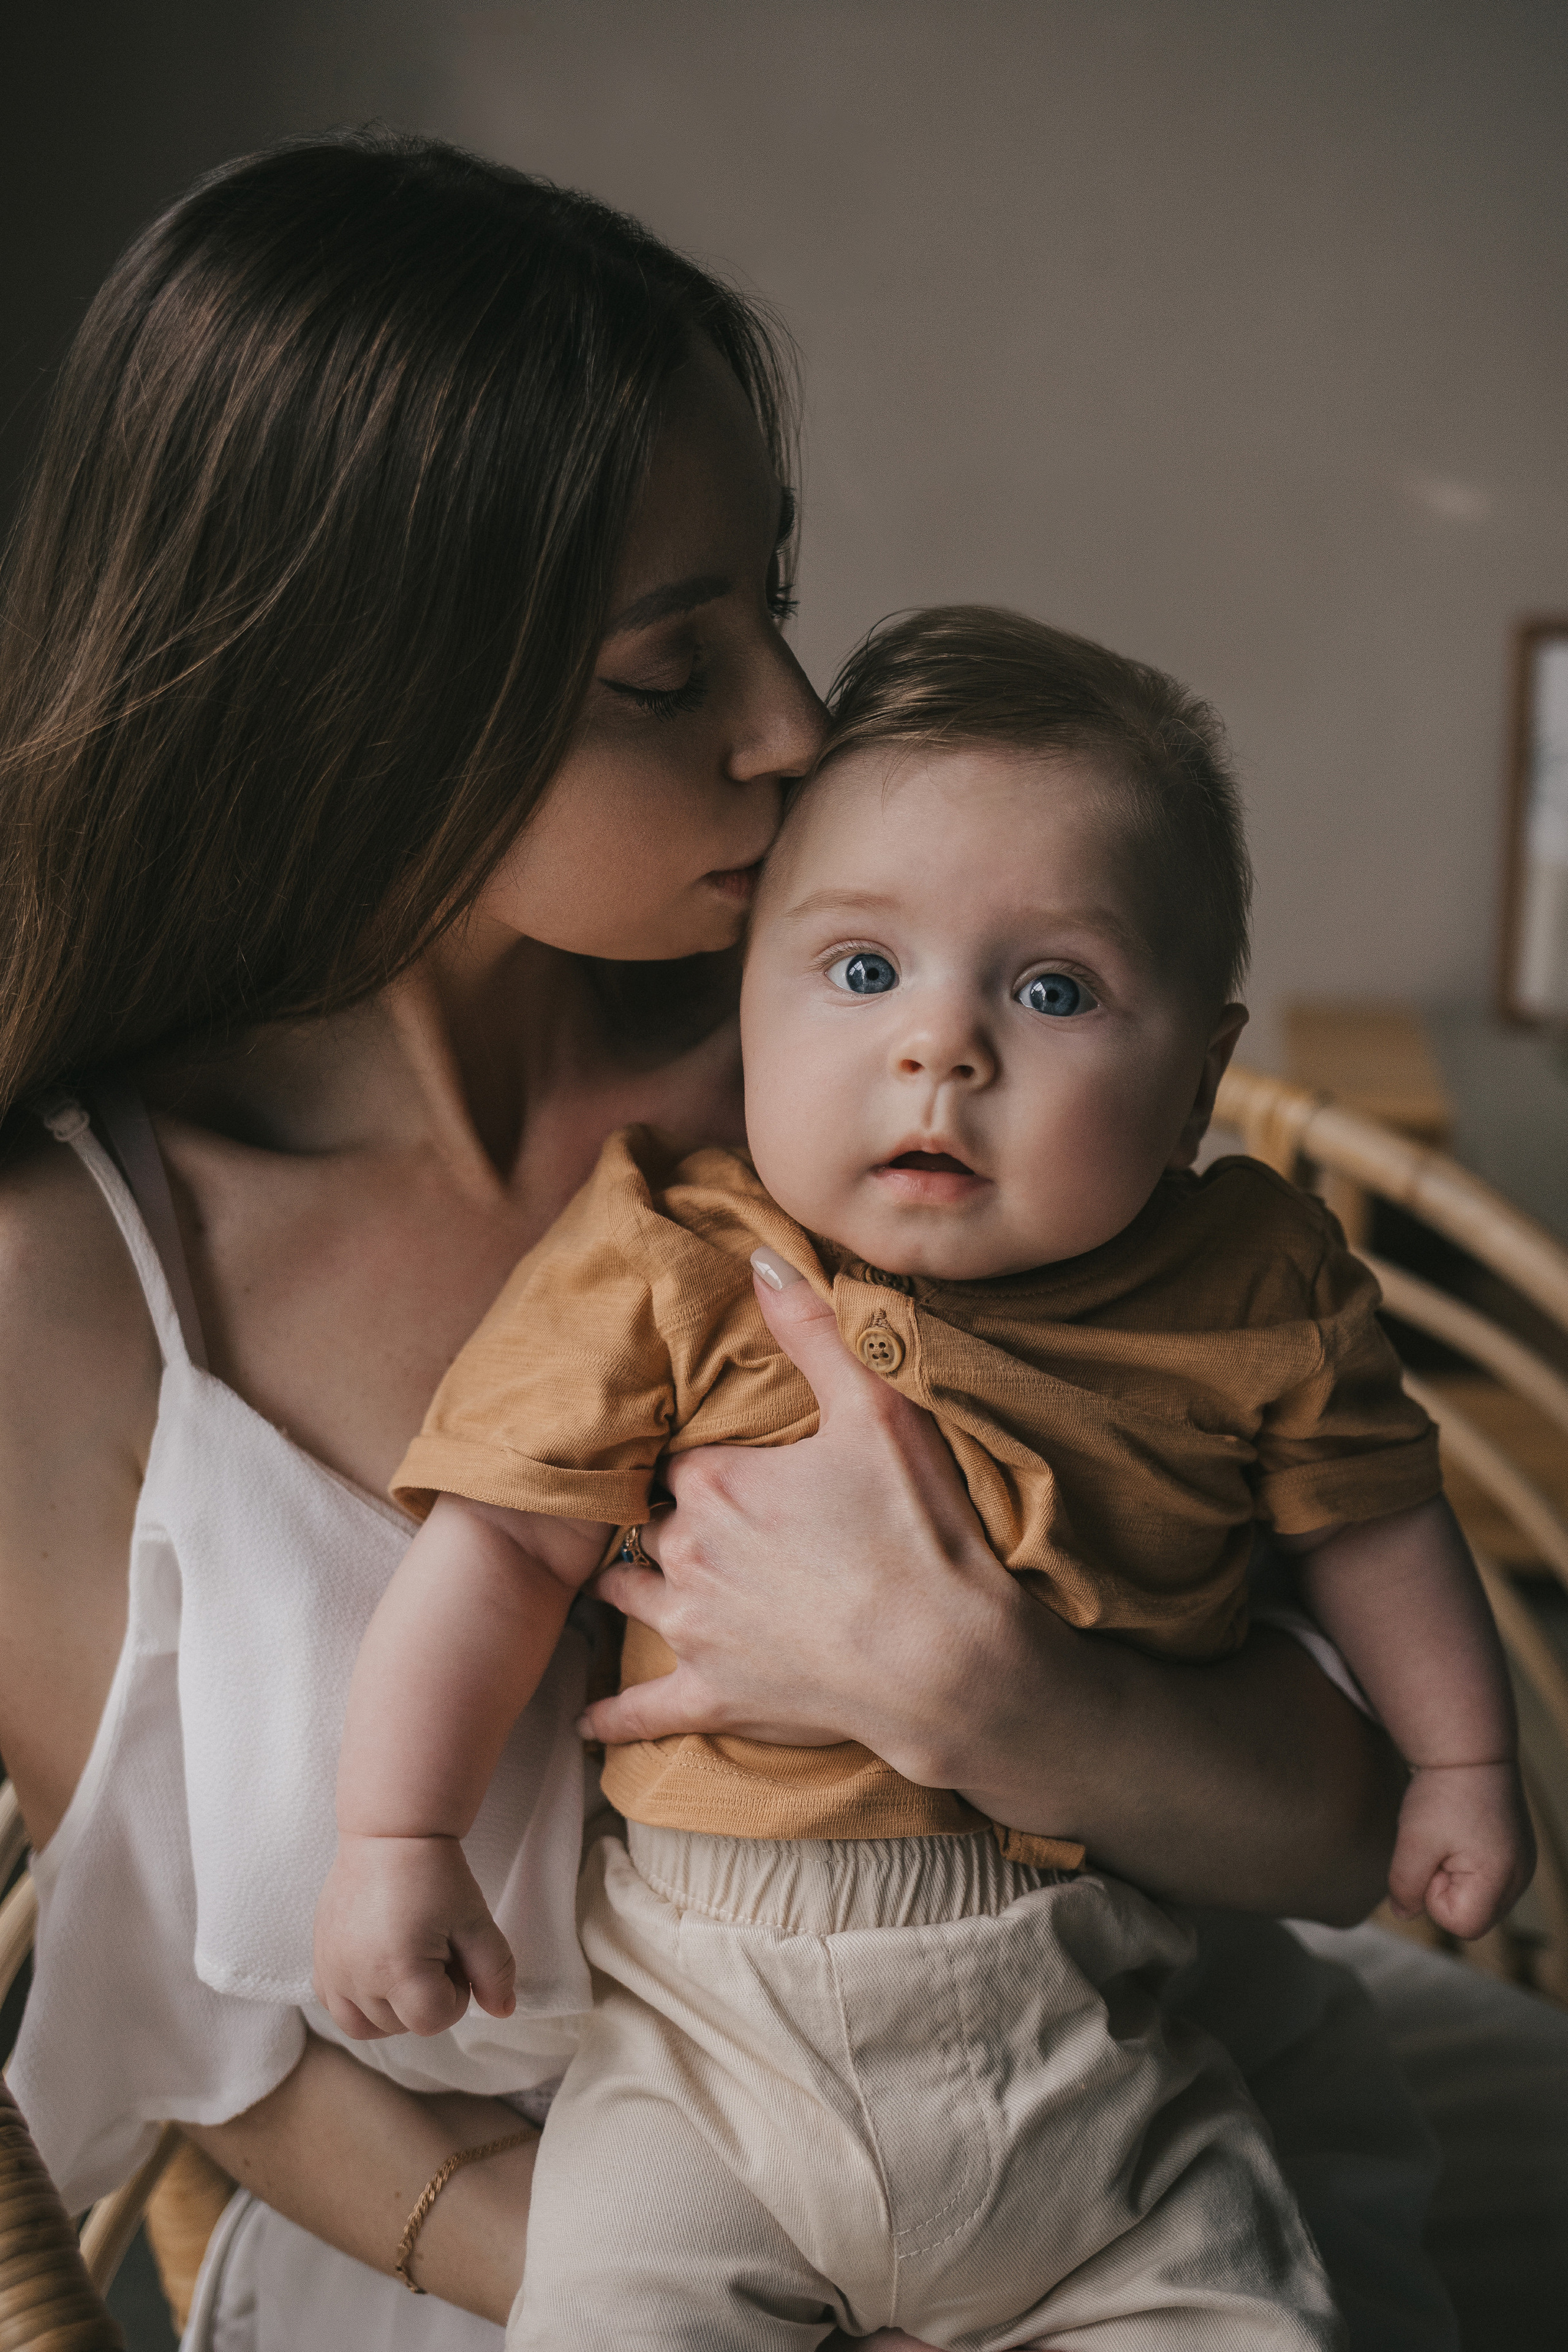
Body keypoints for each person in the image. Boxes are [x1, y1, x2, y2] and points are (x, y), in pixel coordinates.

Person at [0, 130, 1455, 2350]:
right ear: (360, 698)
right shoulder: (70, 1293)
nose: (796, 727)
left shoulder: (873, 1078)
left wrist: (1006, 1701)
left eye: (772, 596)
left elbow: (1347, 1825)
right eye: (672, 673)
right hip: (543, 2255)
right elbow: (241, 2056)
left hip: (1118, 2111)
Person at [313, 609, 1529, 2346]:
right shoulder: (671, 1254)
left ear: (1197, 1074)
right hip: (710, 2059)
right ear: (748, 1008)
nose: (941, 1049)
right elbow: (500, 1552)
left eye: (1052, 991)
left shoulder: (1246, 1283)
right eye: (865, 971)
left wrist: (1465, 1763)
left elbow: (1377, 1520)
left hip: (1091, 2036)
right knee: (613, 2309)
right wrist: (396, 1832)